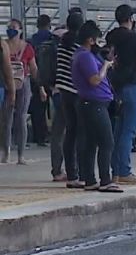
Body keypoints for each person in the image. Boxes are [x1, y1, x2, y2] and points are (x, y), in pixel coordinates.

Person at [103, 4, 136, 185]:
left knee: (118, 130)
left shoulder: (111, 36)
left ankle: (115, 171)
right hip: (133, 85)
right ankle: (124, 171)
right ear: (131, 19)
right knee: (128, 132)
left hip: (115, 87)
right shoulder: (135, 38)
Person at [72, 20, 122, 193]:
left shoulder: (83, 54)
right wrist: (106, 67)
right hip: (94, 104)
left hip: (91, 103)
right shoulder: (85, 56)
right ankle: (105, 180)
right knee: (107, 141)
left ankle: (90, 180)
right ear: (90, 39)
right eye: (97, 39)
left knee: (92, 143)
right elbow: (94, 79)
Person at [50, 12, 84, 186]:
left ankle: (57, 170)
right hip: (76, 92)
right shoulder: (79, 45)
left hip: (60, 91)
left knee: (58, 132)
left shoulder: (61, 43)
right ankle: (75, 170)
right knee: (75, 133)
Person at [2, 18, 42, 164]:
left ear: (20, 30)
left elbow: (33, 68)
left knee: (21, 119)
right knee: (6, 120)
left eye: (13, 27)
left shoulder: (27, 48)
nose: (10, 29)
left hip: (23, 84)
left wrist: (41, 86)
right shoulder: (3, 45)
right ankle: (6, 152)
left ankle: (20, 155)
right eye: (8, 27)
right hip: (6, 85)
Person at [29, 14, 54, 146]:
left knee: (38, 108)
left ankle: (39, 136)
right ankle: (53, 135)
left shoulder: (32, 40)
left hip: (36, 77)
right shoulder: (52, 39)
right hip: (51, 77)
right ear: (49, 24)